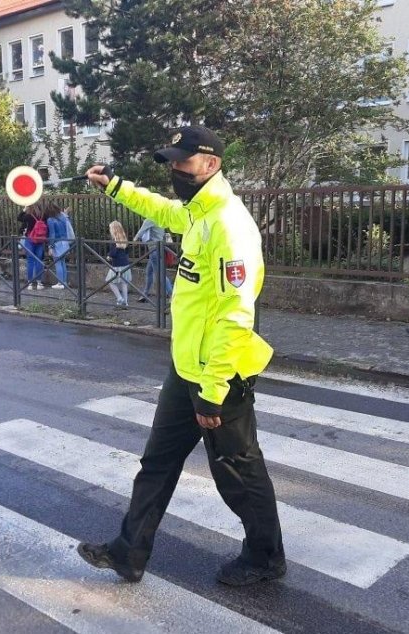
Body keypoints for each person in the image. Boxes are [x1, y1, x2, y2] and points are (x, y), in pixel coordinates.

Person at [79, 125, 285, 587]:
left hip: (219, 376)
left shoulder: (229, 225)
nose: (174, 170)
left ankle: (265, 558)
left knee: (238, 471)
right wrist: (114, 186)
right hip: (186, 368)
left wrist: (213, 389)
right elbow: (161, 208)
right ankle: (129, 553)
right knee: (157, 462)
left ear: (211, 164)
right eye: (171, 161)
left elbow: (236, 314)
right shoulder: (196, 212)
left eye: (182, 162)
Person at [134, 217, 174, 302]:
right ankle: (145, 295)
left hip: (154, 250)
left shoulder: (150, 219)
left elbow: (141, 231)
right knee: (149, 271)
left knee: (160, 274)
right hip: (160, 249)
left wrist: (134, 240)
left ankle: (172, 295)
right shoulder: (160, 218)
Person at [17, 203, 47, 289]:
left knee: (30, 261)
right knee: (39, 260)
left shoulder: (28, 216)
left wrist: (24, 209)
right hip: (40, 240)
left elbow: (19, 218)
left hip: (30, 239)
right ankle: (39, 283)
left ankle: (30, 284)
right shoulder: (43, 216)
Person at [45, 202, 73, 289]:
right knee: (63, 262)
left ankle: (60, 283)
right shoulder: (63, 217)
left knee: (57, 263)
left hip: (57, 243)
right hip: (65, 242)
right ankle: (64, 282)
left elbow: (52, 234)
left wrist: (50, 246)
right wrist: (66, 213)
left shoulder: (50, 220)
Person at [106, 220, 132, 307]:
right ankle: (125, 302)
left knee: (110, 281)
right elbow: (127, 251)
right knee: (124, 283)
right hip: (125, 264)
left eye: (110, 228)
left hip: (116, 265)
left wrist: (109, 256)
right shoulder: (124, 239)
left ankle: (120, 298)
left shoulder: (114, 241)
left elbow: (113, 253)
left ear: (113, 230)